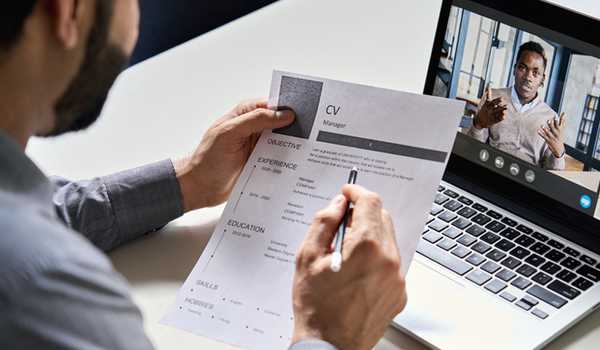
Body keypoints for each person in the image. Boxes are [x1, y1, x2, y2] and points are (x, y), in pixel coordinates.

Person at [0, 1, 407, 349]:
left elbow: (42, 214)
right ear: (67, 11)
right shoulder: (47, 294)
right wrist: (328, 335)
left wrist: (188, 181)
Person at [467, 41, 567, 170]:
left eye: (535, 73)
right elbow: (472, 150)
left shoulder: (551, 118)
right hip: (489, 170)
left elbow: (552, 174)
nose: (528, 77)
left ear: (542, 79)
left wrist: (558, 154)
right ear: (514, 69)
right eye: (523, 68)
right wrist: (478, 125)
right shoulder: (492, 98)